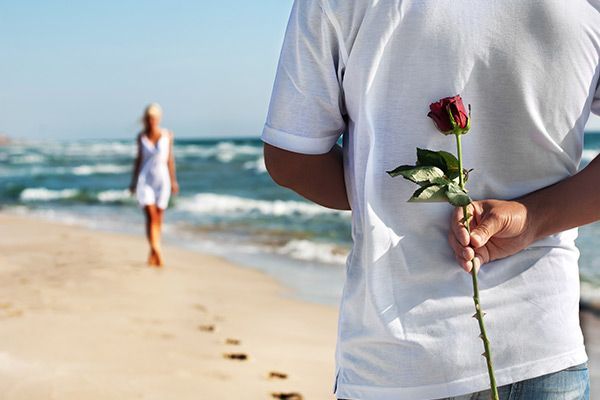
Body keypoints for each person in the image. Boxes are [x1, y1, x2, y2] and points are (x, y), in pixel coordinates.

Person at [261, 1, 600, 399]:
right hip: (543, 341)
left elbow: (290, 158)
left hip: (399, 355)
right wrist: (532, 218)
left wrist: (391, 193)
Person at [129, 103, 179, 267]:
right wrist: (133, 181)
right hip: (145, 181)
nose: (152, 121)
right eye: (149, 118)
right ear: (145, 119)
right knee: (151, 216)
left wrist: (173, 181)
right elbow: (138, 161)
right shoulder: (141, 137)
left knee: (159, 217)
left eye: (154, 118)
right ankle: (158, 251)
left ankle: (153, 252)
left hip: (162, 180)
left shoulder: (167, 135)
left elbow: (170, 160)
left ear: (158, 119)